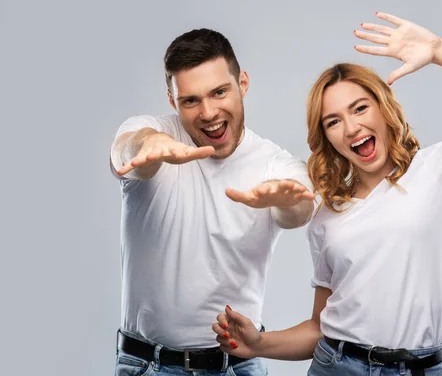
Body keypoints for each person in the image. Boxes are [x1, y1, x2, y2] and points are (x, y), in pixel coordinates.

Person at [211, 12, 442, 376]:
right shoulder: (326, 216)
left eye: (360, 108)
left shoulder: (441, 171)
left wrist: (438, 49)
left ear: (383, 109)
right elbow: (320, 328)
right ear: (327, 138)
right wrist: (261, 344)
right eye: (333, 121)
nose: (351, 127)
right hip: (336, 366)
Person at [109, 28, 315, 376]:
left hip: (237, 366)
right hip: (148, 364)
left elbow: (299, 210)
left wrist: (283, 201)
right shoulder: (152, 131)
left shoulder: (275, 163)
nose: (207, 112)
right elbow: (126, 150)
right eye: (190, 100)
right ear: (173, 101)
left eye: (219, 92)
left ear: (243, 84)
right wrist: (149, 146)